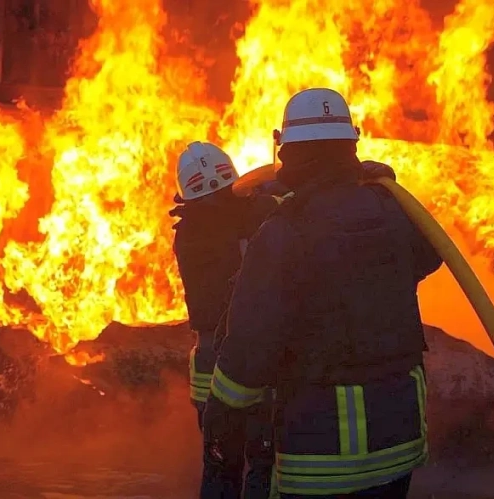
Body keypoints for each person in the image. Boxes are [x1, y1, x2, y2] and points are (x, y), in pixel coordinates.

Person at [202, 88, 443, 498]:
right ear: (352, 145)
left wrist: (220, 417)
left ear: (288, 151)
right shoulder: (393, 211)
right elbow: (429, 255)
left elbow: (248, 350)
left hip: (320, 458)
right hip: (399, 446)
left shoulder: (283, 232)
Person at [170, 141, 281, 499]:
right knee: (263, 462)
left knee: (220, 466)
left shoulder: (187, 232)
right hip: (248, 368)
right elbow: (278, 209)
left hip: (208, 374)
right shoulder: (251, 216)